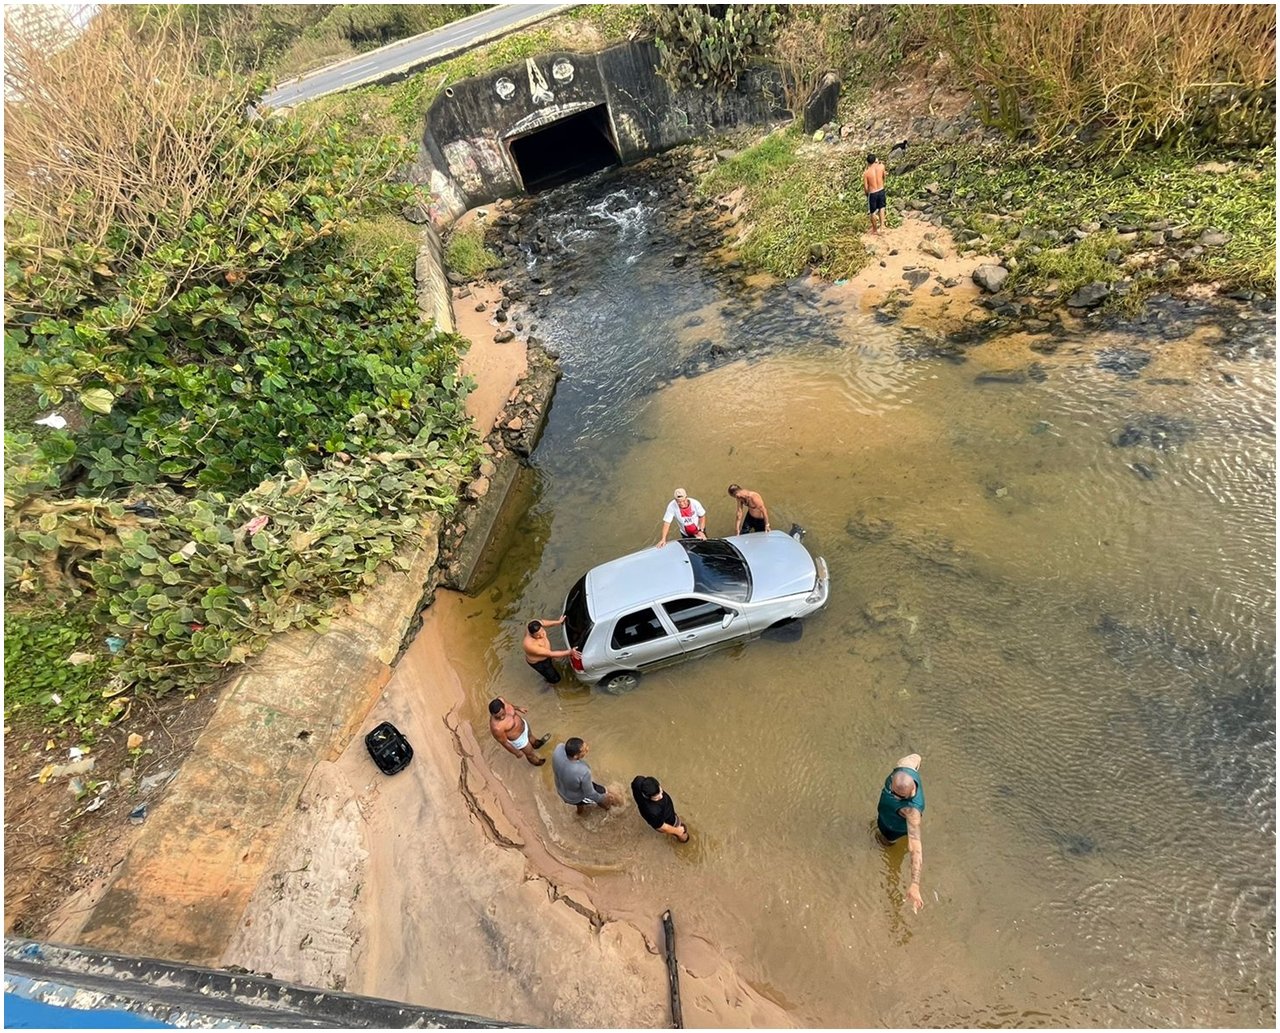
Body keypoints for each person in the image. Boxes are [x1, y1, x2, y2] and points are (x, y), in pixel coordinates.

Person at [876, 752, 925, 912]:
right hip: (885, 814)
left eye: (896, 795)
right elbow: (917, 757)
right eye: (891, 788)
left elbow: (916, 848)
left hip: (892, 829)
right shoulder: (905, 765)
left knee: (885, 844)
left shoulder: (912, 813)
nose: (890, 792)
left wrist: (915, 884)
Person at [552, 737, 621, 814]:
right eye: (584, 750)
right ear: (575, 756)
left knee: (579, 791)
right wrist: (603, 798)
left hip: (560, 788)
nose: (587, 749)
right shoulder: (583, 771)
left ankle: (579, 813)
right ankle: (608, 810)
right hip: (573, 798)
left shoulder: (558, 748)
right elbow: (590, 794)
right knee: (603, 792)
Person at [487, 696, 550, 766]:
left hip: (524, 726)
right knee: (530, 754)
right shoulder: (496, 728)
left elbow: (511, 706)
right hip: (520, 740)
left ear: (504, 706)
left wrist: (518, 708)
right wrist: (516, 752)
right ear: (492, 714)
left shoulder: (501, 700)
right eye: (497, 717)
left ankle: (537, 745)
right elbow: (504, 743)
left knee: (532, 738)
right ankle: (539, 763)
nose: (501, 717)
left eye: (502, 714)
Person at [630, 775, 689, 842]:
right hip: (666, 818)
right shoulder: (653, 811)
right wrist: (677, 831)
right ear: (648, 797)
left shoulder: (638, 782)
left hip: (651, 811)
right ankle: (683, 840)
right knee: (682, 832)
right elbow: (661, 827)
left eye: (660, 791)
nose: (661, 796)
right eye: (656, 797)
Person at [523, 615, 578, 684]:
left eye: (542, 631)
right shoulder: (530, 645)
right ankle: (549, 686)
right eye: (537, 635)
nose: (541, 635)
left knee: (553, 664)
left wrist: (558, 622)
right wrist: (570, 652)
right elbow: (551, 654)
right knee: (555, 679)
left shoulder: (534, 624)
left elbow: (543, 622)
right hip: (540, 663)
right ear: (531, 634)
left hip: (547, 656)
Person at [863, 153, 888, 235]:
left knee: (872, 212)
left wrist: (867, 194)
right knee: (882, 208)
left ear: (867, 162)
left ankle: (874, 229)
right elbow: (884, 176)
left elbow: (866, 187)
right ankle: (882, 226)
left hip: (873, 193)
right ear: (875, 160)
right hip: (881, 189)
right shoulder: (881, 167)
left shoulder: (866, 173)